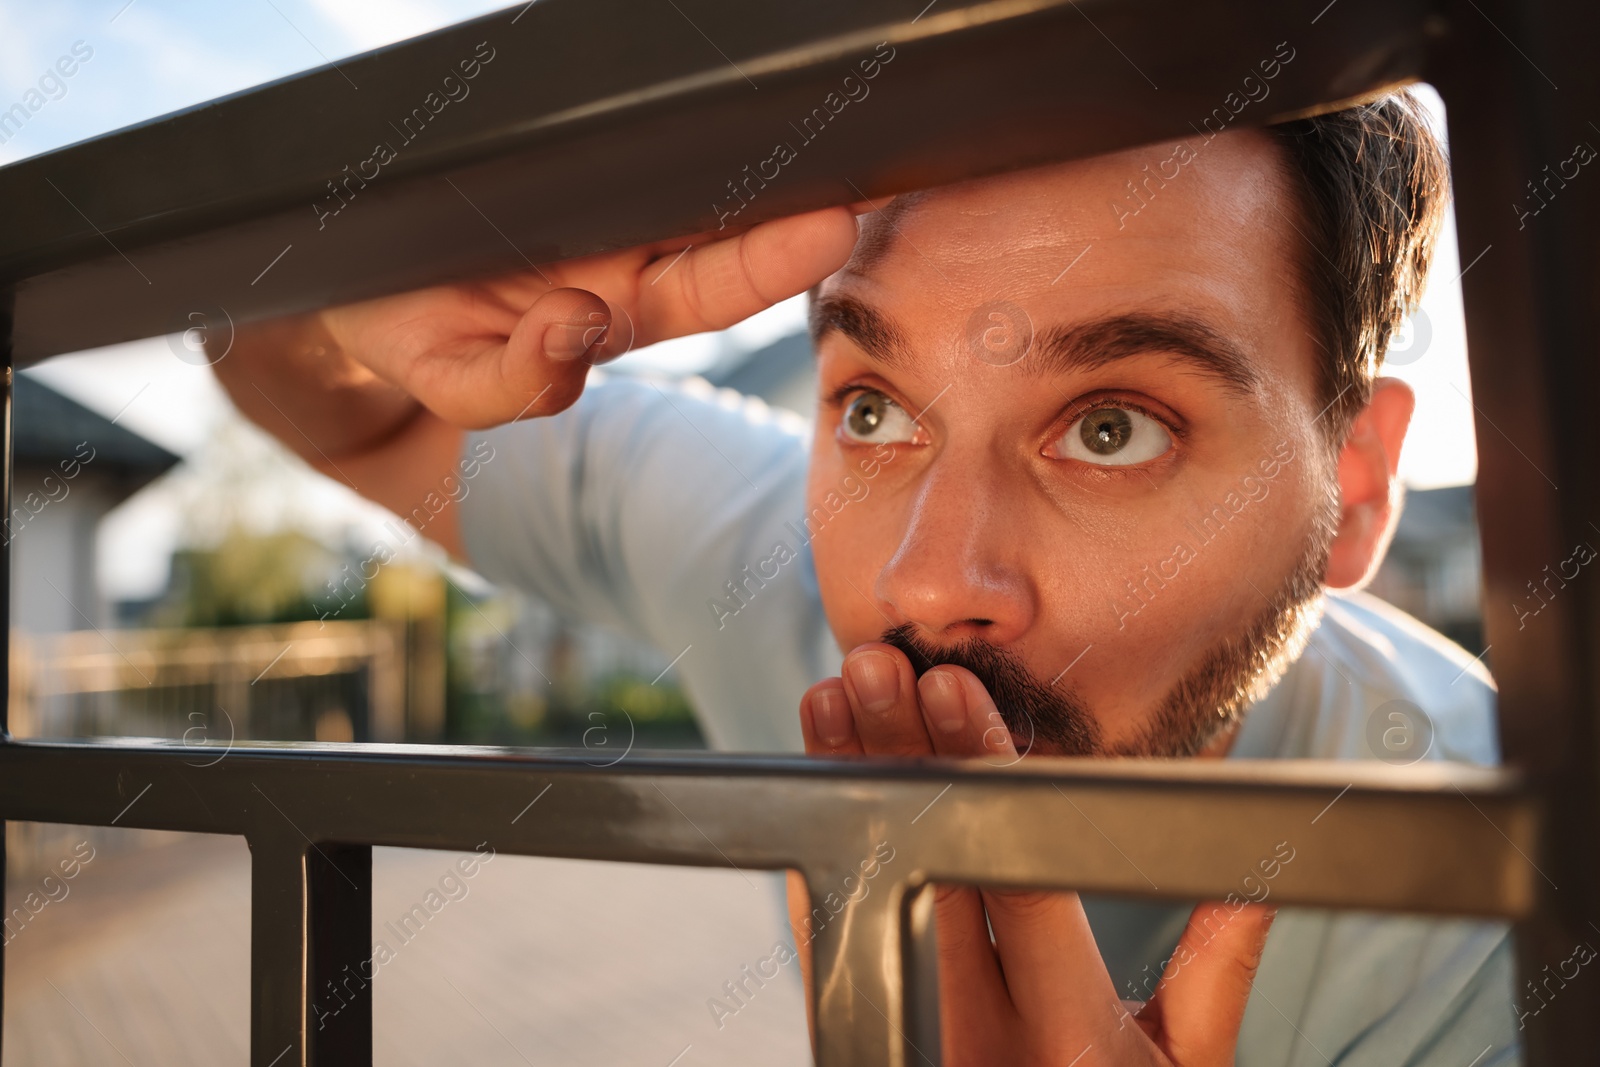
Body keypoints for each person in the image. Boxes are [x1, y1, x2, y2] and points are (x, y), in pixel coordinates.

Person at [215, 89, 1515, 1064]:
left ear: (1351, 487)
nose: (926, 583)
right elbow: (354, 410)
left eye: (1112, 428)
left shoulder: (1499, 898)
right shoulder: (757, 551)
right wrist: (351, 288)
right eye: (878, 410)